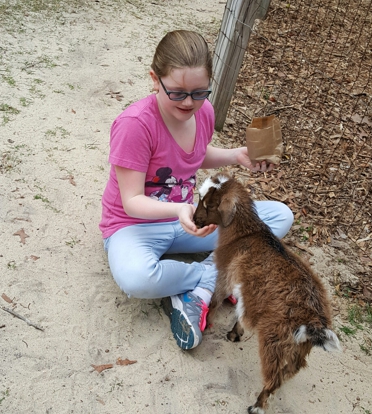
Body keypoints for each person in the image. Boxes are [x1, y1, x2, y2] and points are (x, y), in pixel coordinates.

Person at [99, 30, 293, 350]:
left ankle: (202, 285)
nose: (188, 102)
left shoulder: (203, 112)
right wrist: (178, 209)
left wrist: (236, 155)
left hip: (189, 218)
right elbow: (131, 201)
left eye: (199, 92)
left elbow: (193, 155)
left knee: (279, 217)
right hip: (133, 226)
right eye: (177, 92)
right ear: (154, 79)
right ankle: (208, 282)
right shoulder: (134, 124)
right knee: (136, 278)